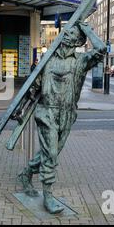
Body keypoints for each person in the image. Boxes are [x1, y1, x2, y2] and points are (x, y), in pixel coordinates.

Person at [18, 21, 106, 214]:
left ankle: (26, 173)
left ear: (78, 40)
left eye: (72, 32)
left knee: (52, 152)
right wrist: (22, 107)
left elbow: (101, 49)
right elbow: (34, 88)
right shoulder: (47, 59)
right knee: (51, 154)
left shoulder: (81, 61)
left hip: (68, 113)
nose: (66, 34)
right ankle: (48, 196)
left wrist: (87, 29)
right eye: (66, 31)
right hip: (47, 112)